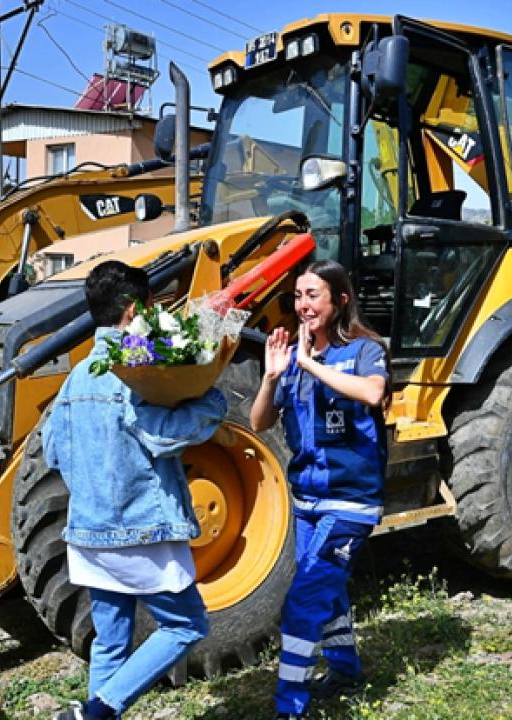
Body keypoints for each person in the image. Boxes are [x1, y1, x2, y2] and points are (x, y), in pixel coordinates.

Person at [45, 260, 227, 720]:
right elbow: (162, 437)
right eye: (148, 309)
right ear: (131, 312)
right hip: (140, 530)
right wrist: (212, 402)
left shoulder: (73, 381)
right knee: (186, 625)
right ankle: (98, 710)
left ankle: (95, 712)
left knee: (111, 641)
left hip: (88, 533)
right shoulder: (137, 374)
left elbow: (52, 452)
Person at [249, 259, 389, 720]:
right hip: (307, 502)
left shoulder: (365, 350)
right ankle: (345, 668)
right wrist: (273, 377)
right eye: (298, 296)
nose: (303, 305)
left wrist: (310, 362)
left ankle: (290, 707)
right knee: (327, 591)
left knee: (304, 602)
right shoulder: (292, 358)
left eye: (313, 295)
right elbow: (260, 421)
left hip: (349, 502)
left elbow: (372, 394)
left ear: (340, 300)